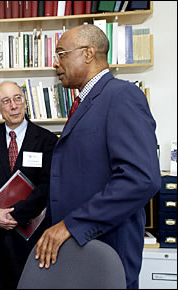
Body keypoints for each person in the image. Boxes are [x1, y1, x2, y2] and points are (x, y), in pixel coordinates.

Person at [35, 24, 161, 289]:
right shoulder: (84, 102)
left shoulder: (122, 95)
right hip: (79, 251)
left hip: (108, 250)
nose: (56, 64)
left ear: (88, 53)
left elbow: (141, 179)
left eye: (61, 54)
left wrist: (71, 225)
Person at [0, 81, 58, 288]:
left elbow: (47, 185)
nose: (14, 105)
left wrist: (15, 215)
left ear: (25, 102)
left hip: (31, 238)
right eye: (6, 101)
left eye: (18, 98)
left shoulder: (46, 139)